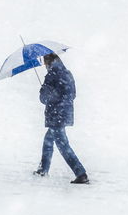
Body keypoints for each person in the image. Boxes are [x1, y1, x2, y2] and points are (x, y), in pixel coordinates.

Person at [33, 53, 89, 184]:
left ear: (49, 62)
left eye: (45, 62)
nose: (45, 65)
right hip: (64, 113)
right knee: (48, 140)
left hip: (55, 115)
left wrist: (43, 91)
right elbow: (72, 94)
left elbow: (45, 99)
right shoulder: (67, 73)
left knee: (63, 145)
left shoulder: (52, 75)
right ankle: (43, 169)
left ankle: (81, 173)